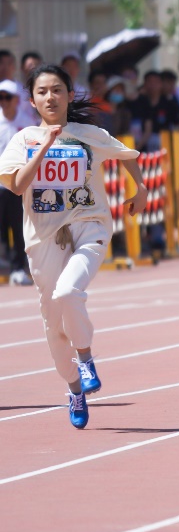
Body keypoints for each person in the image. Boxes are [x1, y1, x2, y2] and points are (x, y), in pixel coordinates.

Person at [0, 64, 148, 428]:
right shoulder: (22, 140)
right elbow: (16, 186)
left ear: (69, 95)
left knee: (69, 292)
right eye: (42, 92)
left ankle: (85, 359)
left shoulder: (89, 135)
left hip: (90, 227)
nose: (50, 97)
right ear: (32, 101)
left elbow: (127, 155)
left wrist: (141, 189)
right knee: (54, 326)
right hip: (44, 239)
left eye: (57, 90)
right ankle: (73, 388)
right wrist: (45, 146)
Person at [0, 78, 32, 285]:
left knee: (18, 228)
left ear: (16, 100)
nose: (3, 101)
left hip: (18, 185)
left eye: (7, 97)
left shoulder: (27, 123)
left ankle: (18, 268)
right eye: (0, 97)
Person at [132, 70, 179, 152]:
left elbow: (178, 123)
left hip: (164, 145)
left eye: (156, 82)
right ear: (145, 84)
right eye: (150, 82)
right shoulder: (139, 101)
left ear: (161, 84)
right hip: (141, 146)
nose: (153, 85)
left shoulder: (170, 102)